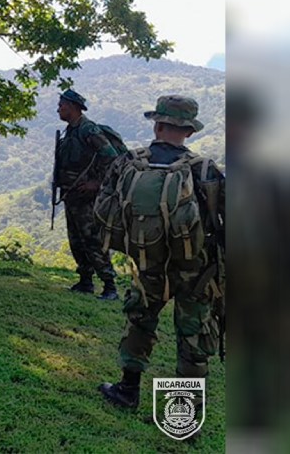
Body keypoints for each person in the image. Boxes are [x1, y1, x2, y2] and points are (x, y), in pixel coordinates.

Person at [98, 95, 225, 409]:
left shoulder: (129, 162)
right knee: (193, 334)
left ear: (156, 125)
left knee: (140, 320)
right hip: (196, 270)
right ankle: (186, 412)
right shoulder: (205, 170)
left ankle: (127, 391)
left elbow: (104, 207)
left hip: (147, 262)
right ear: (190, 132)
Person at [55, 89, 119, 300]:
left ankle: (110, 286)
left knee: (92, 240)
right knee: (76, 239)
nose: (59, 109)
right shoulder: (71, 131)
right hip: (72, 195)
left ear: (72, 107)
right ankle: (85, 281)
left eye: (61, 105)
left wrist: (96, 183)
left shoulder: (88, 130)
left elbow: (111, 158)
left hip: (87, 198)